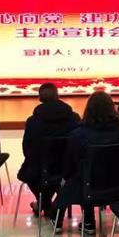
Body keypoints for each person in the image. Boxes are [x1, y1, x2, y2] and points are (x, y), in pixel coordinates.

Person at [53, 91, 119, 234]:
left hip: (88, 188)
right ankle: (87, 221)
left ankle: (76, 219)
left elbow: (69, 167)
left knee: (79, 176)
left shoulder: (78, 134)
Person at [18, 83, 79, 217]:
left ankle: (45, 204)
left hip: (42, 167)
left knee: (29, 173)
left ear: (40, 98)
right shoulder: (74, 118)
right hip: (70, 167)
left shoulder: (33, 121)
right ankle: (51, 205)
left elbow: (27, 149)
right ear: (58, 96)